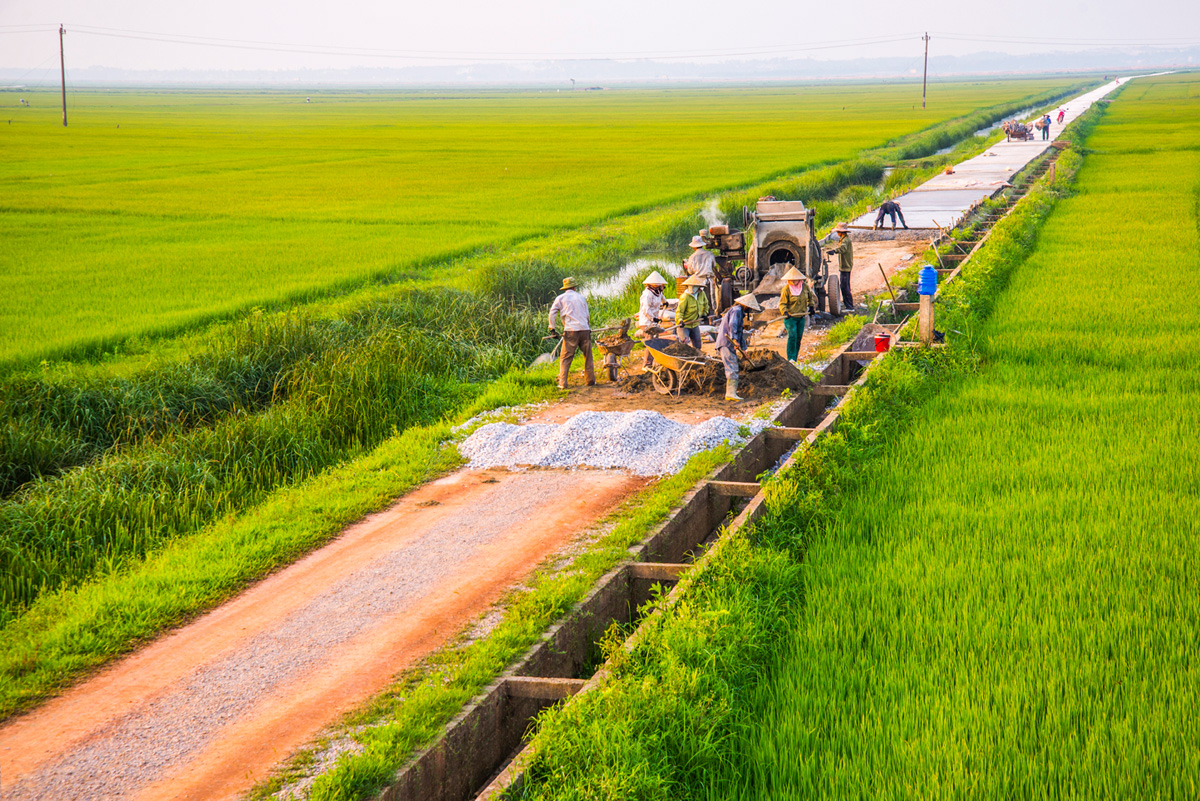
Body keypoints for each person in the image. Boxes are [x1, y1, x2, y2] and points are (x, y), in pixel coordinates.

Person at [548, 276, 595, 389]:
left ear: (565, 288)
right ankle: (590, 381)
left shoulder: (560, 298)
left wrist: (552, 329)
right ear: (574, 287)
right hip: (584, 329)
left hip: (571, 331)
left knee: (566, 357)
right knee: (588, 355)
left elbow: (552, 313)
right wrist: (587, 328)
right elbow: (587, 315)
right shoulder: (581, 297)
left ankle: (563, 383)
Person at [715, 294, 761, 401]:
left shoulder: (739, 312)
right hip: (726, 343)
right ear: (746, 306)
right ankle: (730, 393)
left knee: (733, 365)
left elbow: (740, 332)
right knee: (732, 366)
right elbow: (733, 325)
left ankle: (731, 392)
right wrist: (734, 340)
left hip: (728, 343)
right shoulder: (736, 311)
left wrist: (744, 349)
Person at [779, 267, 816, 363]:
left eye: (794, 280)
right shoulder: (786, 289)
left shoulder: (804, 287)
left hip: (801, 317)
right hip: (790, 318)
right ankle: (790, 358)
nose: (792, 282)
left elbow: (810, 297)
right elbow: (782, 304)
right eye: (790, 280)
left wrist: (811, 307)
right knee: (792, 336)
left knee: (798, 337)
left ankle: (795, 358)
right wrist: (785, 312)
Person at [638, 270, 671, 367]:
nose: (663, 287)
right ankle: (647, 364)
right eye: (661, 285)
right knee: (650, 341)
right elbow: (645, 310)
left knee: (655, 341)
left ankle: (652, 361)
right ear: (655, 285)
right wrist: (653, 319)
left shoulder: (658, 292)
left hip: (653, 321)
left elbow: (662, 297)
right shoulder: (647, 294)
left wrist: (665, 302)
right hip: (646, 321)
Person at [826, 222, 855, 312]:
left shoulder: (845, 241)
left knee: (844, 286)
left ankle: (849, 307)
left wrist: (834, 251)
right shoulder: (843, 239)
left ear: (841, 232)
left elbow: (843, 248)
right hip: (845, 265)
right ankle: (847, 303)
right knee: (845, 285)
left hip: (845, 266)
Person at [675, 275, 707, 349]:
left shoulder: (701, 294)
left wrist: (705, 314)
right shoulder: (685, 297)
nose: (692, 288)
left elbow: (706, 304)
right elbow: (679, 311)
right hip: (685, 324)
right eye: (690, 286)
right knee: (684, 344)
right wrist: (680, 320)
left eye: (694, 286)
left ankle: (697, 358)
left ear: (698, 287)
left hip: (694, 323)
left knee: (698, 344)